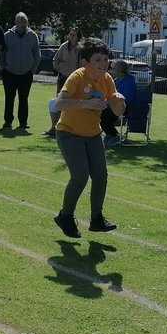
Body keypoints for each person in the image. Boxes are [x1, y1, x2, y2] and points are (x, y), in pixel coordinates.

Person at [53, 38, 123, 237]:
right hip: (69, 133)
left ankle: (97, 219)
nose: (104, 64)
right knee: (80, 176)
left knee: (101, 176)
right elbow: (59, 104)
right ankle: (65, 216)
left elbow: (118, 112)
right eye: (98, 60)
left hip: (93, 135)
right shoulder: (77, 77)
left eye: (106, 59)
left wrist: (119, 101)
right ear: (85, 62)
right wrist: (86, 104)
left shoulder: (107, 80)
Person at [0, 12, 41, 130]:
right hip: (9, 72)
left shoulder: (33, 36)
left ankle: (23, 122)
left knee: (24, 98)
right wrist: (2, 66)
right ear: (15, 23)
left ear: (27, 23)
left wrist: (33, 69)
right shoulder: (7, 35)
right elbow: (2, 53)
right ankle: (8, 121)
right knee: (9, 98)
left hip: (26, 73)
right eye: (19, 22)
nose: (22, 24)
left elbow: (37, 54)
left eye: (24, 22)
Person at [44, 27, 81, 137]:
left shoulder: (81, 49)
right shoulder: (64, 46)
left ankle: (71, 128)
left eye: (74, 35)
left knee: (73, 102)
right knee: (58, 102)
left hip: (75, 79)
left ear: (78, 37)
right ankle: (54, 128)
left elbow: (83, 64)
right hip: (63, 78)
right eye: (70, 34)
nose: (71, 36)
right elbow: (55, 60)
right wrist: (61, 68)